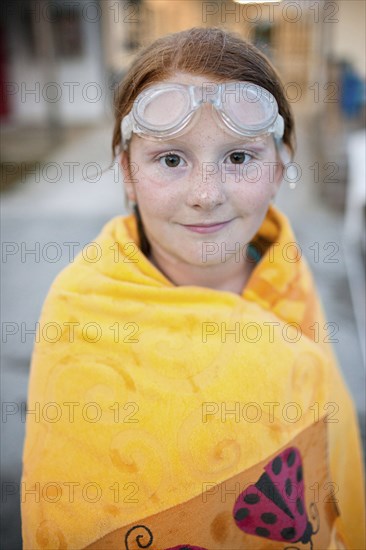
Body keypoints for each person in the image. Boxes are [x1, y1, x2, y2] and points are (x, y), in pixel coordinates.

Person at [21, 27, 365, 549]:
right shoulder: (81, 310)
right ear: (128, 174)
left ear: (280, 166)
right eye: (172, 159)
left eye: (239, 158)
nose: (207, 196)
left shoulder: (284, 274)